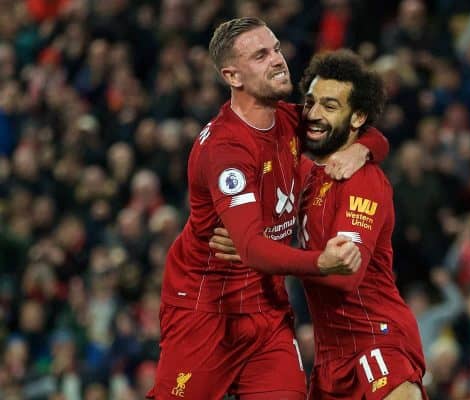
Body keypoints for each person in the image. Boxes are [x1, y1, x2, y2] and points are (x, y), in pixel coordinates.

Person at [148, 17, 389, 400]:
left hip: (267, 310)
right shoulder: (227, 151)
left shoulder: (290, 121)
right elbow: (250, 248)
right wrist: (319, 263)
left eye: (276, 48)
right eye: (261, 55)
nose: (278, 60)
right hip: (208, 311)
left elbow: (362, 128)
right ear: (233, 76)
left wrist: (363, 149)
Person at [213, 50, 427, 399]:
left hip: (375, 341)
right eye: (310, 102)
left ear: (358, 117)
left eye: (330, 106)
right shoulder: (310, 174)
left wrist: (260, 254)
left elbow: (345, 272)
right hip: (330, 360)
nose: (313, 114)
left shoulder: (362, 181)